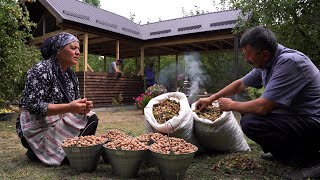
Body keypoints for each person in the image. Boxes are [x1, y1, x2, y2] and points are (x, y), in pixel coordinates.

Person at [196, 26, 320, 178]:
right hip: (296, 117)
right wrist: (211, 98)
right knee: (248, 114)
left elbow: (263, 107)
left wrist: (231, 105)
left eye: (249, 56)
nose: (246, 59)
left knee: (252, 122)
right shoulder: (266, 63)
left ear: (265, 54)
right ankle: (283, 152)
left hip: (313, 122)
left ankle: (312, 160)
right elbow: (240, 84)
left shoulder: (289, 63)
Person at [15, 32, 99, 166]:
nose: (78, 52)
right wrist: (70, 107)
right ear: (59, 51)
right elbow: (33, 106)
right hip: (37, 124)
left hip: (59, 119)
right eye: (73, 48)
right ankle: (37, 148)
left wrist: (82, 107)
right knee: (69, 158)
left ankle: (56, 150)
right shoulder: (41, 70)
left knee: (91, 118)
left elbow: (74, 104)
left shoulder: (71, 75)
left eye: (78, 48)